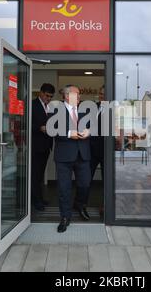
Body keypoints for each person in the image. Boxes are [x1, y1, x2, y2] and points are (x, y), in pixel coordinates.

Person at [53, 85, 91, 233]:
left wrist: (89, 131)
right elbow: (53, 129)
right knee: (64, 188)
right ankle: (65, 217)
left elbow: (92, 126)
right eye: (77, 94)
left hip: (83, 154)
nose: (79, 97)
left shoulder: (85, 110)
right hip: (64, 156)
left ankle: (80, 205)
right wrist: (70, 133)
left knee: (85, 184)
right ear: (67, 96)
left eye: (80, 94)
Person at [78, 85, 105, 218]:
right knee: (85, 180)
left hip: (107, 151)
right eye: (100, 93)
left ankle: (106, 207)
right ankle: (81, 205)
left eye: (104, 93)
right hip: (91, 150)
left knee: (107, 181)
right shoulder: (93, 107)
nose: (101, 95)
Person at [31, 83, 55, 211]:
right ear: (40, 93)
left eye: (51, 96)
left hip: (46, 146)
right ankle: (36, 201)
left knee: (39, 175)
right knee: (35, 175)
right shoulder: (32, 105)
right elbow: (26, 124)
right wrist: (39, 128)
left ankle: (38, 198)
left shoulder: (50, 107)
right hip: (35, 146)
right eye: (47, 96)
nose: (49, 98)